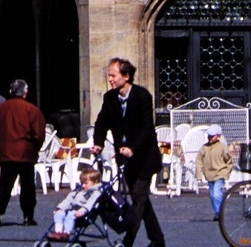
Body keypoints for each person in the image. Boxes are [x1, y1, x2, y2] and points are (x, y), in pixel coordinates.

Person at [92, 57, 165, 247]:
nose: (110, 79)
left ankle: (127, 242)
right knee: (140, 198)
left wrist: (133, 148)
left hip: (144, 157)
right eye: (109, 75)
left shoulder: (142, 96)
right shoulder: (110, 98)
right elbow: (102, 122)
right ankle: (158, 240)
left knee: (138, 200)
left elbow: (146, 127)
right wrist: (98, 143)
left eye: (113, 75)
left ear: (126, 76)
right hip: (125, 159)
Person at [0, 78, 45, 228]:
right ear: (25, 92)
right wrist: (35, 148)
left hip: (6, 151)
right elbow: (39, 134)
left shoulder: (0, 109)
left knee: (4, 183)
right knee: (27, 186)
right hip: (26, 152)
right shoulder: (31, 109)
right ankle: (28, 215)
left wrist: (0, 144)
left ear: (11, 91)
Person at [49, 163, 101, 239]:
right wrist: (61, 208)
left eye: (86, 183)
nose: (83, 186)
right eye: (82, 183)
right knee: (59, 214)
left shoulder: (95, 193)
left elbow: (90, 204)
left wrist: (82, 210)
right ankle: (58, 232)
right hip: (72, 209)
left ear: (95, 182)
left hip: (84, 213)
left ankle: (67, 233)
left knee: (71, 215)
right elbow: (69, 199)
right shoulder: (78, 190)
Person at [195, 126, 232, 219]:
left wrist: (226, 173)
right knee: (212, 195)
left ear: (218, 136)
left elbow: (229, 161)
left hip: (220, 174)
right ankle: (217, 211)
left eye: (212, 136)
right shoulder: (204, 148)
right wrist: (199, 174)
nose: (209, 138)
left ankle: (219, 212)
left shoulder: (222, 147)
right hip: (209, 175)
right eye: (209, 136)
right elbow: (199, 161)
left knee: (216, 193)